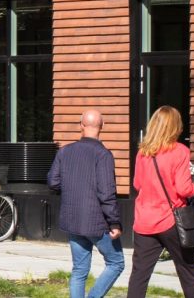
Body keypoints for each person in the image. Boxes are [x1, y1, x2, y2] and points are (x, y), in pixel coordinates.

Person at [127, 106, 194, 298]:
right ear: (175, 127)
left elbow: (137, 184)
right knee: (188, 273)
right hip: (171, 221)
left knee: (139, 276)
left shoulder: (143, 152)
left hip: (144, 221)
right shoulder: (180, 151)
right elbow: (184, 189)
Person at [47, 109, 124, 298]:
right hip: (97, 222)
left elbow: (53, 181)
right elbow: (106, 192)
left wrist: (73, 186)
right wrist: (114, 222)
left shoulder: (65, 152)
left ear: (80, 125)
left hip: (73, 219)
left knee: (79, 270)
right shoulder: (103, 154)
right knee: (116, 263)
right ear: (103, 126)